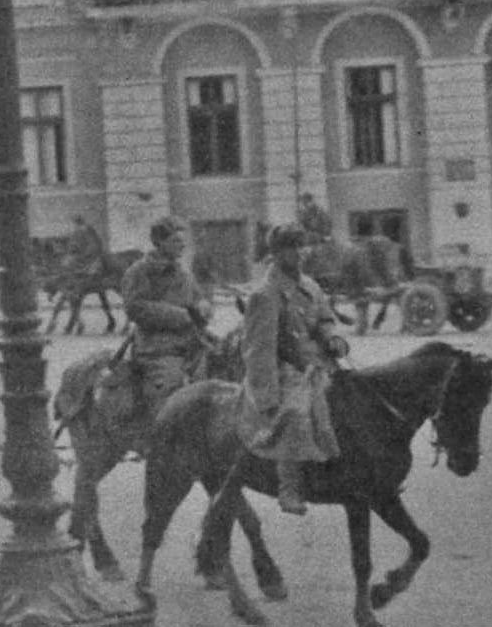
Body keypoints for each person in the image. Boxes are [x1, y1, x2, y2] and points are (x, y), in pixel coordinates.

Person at [235, 223, 344, 516]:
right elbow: (258, 351)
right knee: (294, 413)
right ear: (277, 253)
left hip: (319, 364)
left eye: (303, 246)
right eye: (292, 248)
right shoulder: (265, 294)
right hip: (284, 371)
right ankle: (289, 488)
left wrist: (333, 338)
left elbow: (324, 317)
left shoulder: (309, 285)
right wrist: (268, 398)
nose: (300, 253)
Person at [119, 217, 214, 415]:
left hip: (193, 341)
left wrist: (204, 307)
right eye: (176, 241)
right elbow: (136, 307)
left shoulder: (183, 272)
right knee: (170, 386)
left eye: (183, 241)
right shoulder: (139, 271)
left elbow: (198, 297)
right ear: (159, 243)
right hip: (158, 346)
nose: (183, 245)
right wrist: (182, 315)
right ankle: (163, 439)